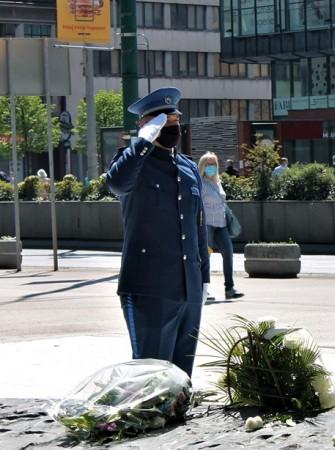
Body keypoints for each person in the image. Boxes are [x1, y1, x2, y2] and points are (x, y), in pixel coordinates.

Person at [105, 87, 210, 378]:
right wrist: (141, 143)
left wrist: (203, 278)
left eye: (175, 120)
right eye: (164, 123)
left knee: (180, 378)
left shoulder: (188, 168)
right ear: (147, 125)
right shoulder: (133, 164)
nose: (172, 127)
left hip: (187, 289)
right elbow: (116, 184)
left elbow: (197, 226)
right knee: (149, 377)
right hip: (149, 290)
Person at [199, 152, 244, 301]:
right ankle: (204, 289)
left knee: (228, 254)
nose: (211, 167)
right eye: (208, 164)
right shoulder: (199, 182)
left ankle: (229, 288)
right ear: (202, 166)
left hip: (221, 224)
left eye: (214, 164)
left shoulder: (217, 181)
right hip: (206, 225)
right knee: (205, 257)